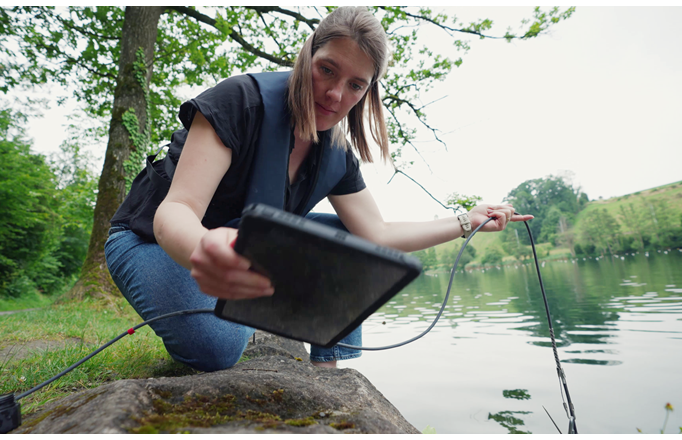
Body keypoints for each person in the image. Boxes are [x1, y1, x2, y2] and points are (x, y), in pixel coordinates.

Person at [104, 7, 533, 372]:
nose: (334, 94)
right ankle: (236, 317)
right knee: (216, 348)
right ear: (307, 54)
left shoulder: (338, 155)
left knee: (353, 246)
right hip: (148, 240)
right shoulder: (239, 101)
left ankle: (326, 370)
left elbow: (376, 236)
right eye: (327, 69)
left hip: (240, 246)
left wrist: (466, 221)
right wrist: (203, 247)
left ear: (368, 91)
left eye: (355, 85)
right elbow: (175, 210)